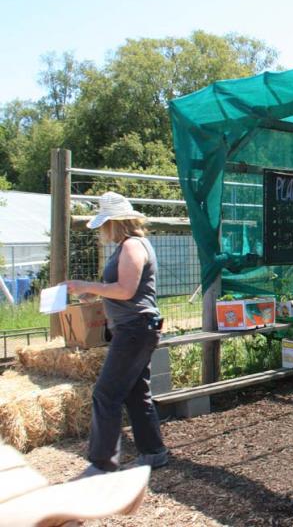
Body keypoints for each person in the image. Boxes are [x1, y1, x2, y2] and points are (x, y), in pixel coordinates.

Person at [66, 192, 168, 477]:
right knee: (136, 394)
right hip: (137, 328)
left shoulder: (132, 247)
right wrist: (92, 293)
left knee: (106, 393)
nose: (101, 230)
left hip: (135, 329)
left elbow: (126, 290)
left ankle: (102, 463)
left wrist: (87, 285)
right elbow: (122, 291)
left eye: (104, 224)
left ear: (115, 222)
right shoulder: (128, 245)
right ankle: (154, 452)